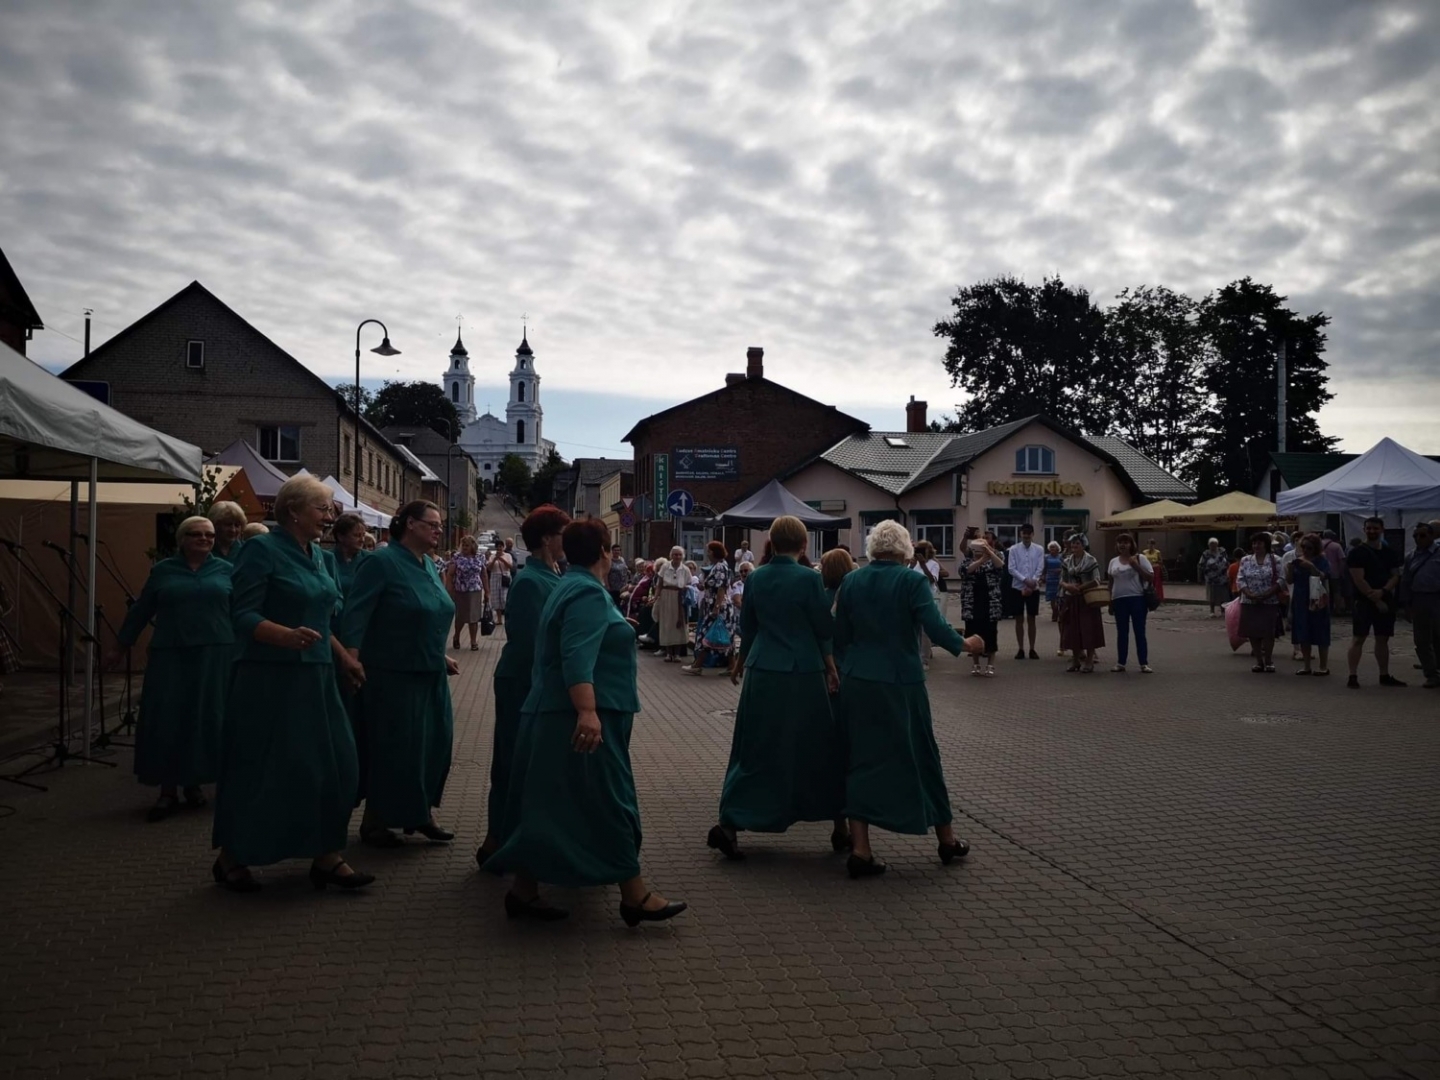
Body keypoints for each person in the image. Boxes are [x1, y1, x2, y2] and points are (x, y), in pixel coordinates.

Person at [485, 518, 686, 927]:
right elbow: (576, 656)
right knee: (608, 800)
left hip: (556, 714)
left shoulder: (570, 585)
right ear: (605, 552)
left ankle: (524, 889)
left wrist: (617, 631)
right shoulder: (588, 593)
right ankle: (634, 895)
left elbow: (577, 639)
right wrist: (588, 711)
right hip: (577, 718)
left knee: (553, 805)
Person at [211, 475, 372, 893]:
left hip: (317, 676)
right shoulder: (260, 550)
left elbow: (322, 619)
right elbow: (241, 615)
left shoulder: (320, 556)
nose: (330, 515)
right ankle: (233, 856)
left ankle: (326, 853)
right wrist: (284, 635)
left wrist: (344, 658)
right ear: (294, 511)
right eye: (322, 508)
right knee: (267, 769)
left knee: (336, 763)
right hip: (269, 678)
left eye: (330, 508)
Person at [834, 520, 985, 878]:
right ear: (905, 550)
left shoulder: (851, 581)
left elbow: (839, 635)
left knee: (861, 757)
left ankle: (861, 849)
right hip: (900, 681)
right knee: (921, 754)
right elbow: (933, 626)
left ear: (873, 549)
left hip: (858, 680)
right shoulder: (912, 580)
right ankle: (946, 840)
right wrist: (966, 644)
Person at [707, 516, 846, 860]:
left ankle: (731, 822)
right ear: (803, 546)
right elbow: (822, 628)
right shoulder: (808, 579)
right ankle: (839, 822)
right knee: (816, 747)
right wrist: (831, 667)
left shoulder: (755, 578)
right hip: (803, 673)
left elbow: (749, 626)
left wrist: (740, 662)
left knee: (754, 746)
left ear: (770, 542)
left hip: (762, 670)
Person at [340, 501, 459, 848]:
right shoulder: (381, 562)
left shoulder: (426, 564)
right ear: (410, 524)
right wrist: (351, 658)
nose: (439, 530)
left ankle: (417, 812)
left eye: (440, 525)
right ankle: (379, 820)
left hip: (428, 669)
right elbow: (357, 613)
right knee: (397, 749)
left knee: (434, 746)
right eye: (432, 524)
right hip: (392, 673)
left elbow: (429, 612)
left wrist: (439, 653)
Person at [107, 515, 232, 822]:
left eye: (209, 535)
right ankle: (167, 790)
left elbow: (244, 611)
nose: (204, 539)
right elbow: (141, 610)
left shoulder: (227, 571)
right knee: (168, 717)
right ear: (182, 539)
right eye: (196, 534)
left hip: (214, 654)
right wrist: (120, 646)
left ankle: (194, 782)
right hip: (171, 654)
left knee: (203, 717)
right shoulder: (164, 571)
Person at [476, 505, 571, 866]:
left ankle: (505, 841)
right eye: (564, 533)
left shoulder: (553, 574)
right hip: (523, 683)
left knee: (527, 762)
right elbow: (533, 643)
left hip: (534, 682)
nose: (568, 540)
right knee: (514, 762)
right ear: (548, 539)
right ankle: (496, 840)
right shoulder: (532, 581)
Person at [1347, 516, 1406, 689]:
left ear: (1382, 530)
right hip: (1363, 601)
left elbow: (1395, 574)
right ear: (1364, 530)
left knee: (1383, 638)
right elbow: (1359, 579)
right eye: (1369, 528)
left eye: (1375, 528)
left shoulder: (1390, 552)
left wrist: (1384, 591)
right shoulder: (1357, 552)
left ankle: (1384, 674)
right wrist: (1376, 598)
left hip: (1385, 597)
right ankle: (1352, 675)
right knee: (1359, 638)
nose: (1372, 531)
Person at [684, 542, 737, 675]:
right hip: (714, 606)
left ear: (714, 552)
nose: (707, 553)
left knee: (707, 634)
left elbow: (721, 588)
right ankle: (731, 665)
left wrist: (716, 607)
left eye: (709, 551)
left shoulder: (720, 567)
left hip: (719, 608)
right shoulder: (716, 567)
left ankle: (698, 665)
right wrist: (703, 586)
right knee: (719, 636)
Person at [1236, 532, 1285, 674]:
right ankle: (1258, 661)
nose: (1256, 546)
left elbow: (1281, 579)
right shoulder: (1245, 560)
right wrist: (1249, 594)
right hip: (1249, 601)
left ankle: (1268, 661)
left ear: (1266, 544)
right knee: (1253, 632)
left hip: (1269, 601)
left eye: (1259, 543)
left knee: (1268, 632)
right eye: (1254, 543)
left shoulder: (1276, 560)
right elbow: (1240, 579)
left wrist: (1267, 594)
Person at [1400, 520, 1439, 689]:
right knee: (1421, 639)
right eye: (1415, 536)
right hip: (1418, 599)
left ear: (1431, 535)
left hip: (1437, 597)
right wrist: (1406, 605)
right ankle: (1431, 674)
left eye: (1422, 535)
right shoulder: (1411, 556)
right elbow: (1406, 580)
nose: (1418, 539)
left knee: (1438, 636)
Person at [1107, 533, 1154, 674]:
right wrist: (1110, 601)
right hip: (1119, 599)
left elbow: (1150, 577)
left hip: (1137, 598)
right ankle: (1121, 662)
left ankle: (1143, 663)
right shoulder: (1113, 562)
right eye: (1120, 542)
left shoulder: (1140, 558)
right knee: (1122, 632)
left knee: (1139, 631)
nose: (1123, 545)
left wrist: (1135, 565)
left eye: (1126, 542)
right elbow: (1110, 583)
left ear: (1131, 544)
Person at [1059, 534, 1105, 673]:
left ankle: (1089, 660)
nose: (1074, 546)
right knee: (1072, 629)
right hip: (1071, 598)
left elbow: (1097, 579)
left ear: (1083, 545)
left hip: (1087, 599)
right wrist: (1068, 587)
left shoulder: (1091, 560)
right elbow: (1062, 579)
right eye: (1072, 544)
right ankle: (1075, 659)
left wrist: (1080, 587)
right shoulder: (1067, 561)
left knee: (1088, 629)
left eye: (1077, 544)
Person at [1288, 533, 1332, 676]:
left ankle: (1323, 666)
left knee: (1321, 632)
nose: (1305, 550)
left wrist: (1311, 566)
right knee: (1303, 631)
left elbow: (1324, 576)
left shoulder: (1322, 560)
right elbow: (1290, 581)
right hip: (1300, 600)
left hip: (1317, 599)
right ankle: (1307, 666)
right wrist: (1289, 570)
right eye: (1303, 547)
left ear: (1316, 548)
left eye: (1309, 547)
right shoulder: (1297, 561)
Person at [959, 535, 1004, 677]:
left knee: (991, 634)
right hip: (972, 605)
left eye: (981, 549)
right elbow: (967, 571)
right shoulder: (966, 562)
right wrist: (980, 560)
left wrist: (990, 553)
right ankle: (976, 663)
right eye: (976, 549)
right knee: (973, 634)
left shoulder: (992, 561)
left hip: (990, 604)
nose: (978, 551)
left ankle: (990, 665)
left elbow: (1001, 566)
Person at [1007, 523, 1044, 659]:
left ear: (1033, 534)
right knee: (1018, 619)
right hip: (1017, 587)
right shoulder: (1014, 549)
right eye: (1024, 533)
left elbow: (1040, 567)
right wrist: (1025, 580)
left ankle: (1032, 648)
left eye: (1029, 533)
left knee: (1031, 618)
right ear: (1020, 534)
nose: (1026, 535)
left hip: (1033, 588)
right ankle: (1021, 648)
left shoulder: (1039, 549)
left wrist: (1033, 581)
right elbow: (1011, 568)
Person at [653, 546, 692, 662]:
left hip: (679, 598)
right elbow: (659, 584)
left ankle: (677, 654)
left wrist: (686, 590)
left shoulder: (685, 569)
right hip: (666, 596)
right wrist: (656, 597)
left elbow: (691, 584)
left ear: (682, 556)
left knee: (679, 624)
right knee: (667, 624)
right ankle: (668, 652)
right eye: (675, 554)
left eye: (679, 554)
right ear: (671, 555)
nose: (677, 557)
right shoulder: (665, 567)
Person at [449, 536, 487, 650]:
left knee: (474, 617)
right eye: (463, 545)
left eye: (467, 545)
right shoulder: (457, 557)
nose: (464, 547)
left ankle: (473, 641)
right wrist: (449, 591)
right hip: (461, 590)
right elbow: (451, 574)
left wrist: (488, 592)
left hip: (475, 590)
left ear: (473, 546)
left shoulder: (480, 557)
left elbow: (484, 575)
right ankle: (456, 636)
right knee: (460, 617)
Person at [910, 539, 942, 665]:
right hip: (913, 598)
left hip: (927, 598)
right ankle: (917, 654)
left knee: (925, 631)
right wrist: (912, 566)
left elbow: (932, 580)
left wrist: (923, 565)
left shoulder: (933, 564)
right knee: (914, 629)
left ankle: (924, 659)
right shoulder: (914, 564)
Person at [330, 513, 369, 598]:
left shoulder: (369, 559)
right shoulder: (327, 558)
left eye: (363, 535)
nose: (362, 540)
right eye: (357, 535)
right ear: (340, 536)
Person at [1197, 539, 1230, 618]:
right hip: (1211, 578)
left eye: (1214, 544)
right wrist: (1200, 577)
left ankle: (1223, 611)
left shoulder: (1222, 552)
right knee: (1212, 595)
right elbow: (1200, 565)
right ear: (1209, 545)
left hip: (1222, 577)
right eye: (1211, 544)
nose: (1213, 546)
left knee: (1223, 595)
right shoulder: (1206, 554)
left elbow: (1227, 562)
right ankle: (1212, 611)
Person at [485, 542, 514, 629]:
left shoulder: (508, 555)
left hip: (504, 577)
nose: (499, 549)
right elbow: (489, 568)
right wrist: (494, 559)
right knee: (496, 598)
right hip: (495, 577)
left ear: (503, 547)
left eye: (501, 547)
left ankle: (508, 618)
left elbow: (510, 566)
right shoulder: (492, 556)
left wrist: (502, 559)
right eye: (498, 547)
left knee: (504, 598)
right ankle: (499, 619)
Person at [1321, 530, 1348, 615]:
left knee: (1323, 590)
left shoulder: (1318, 544)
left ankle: (1325, 608)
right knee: (1336, 591)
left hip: (1321, 572)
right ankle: (1337, 609)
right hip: (1334, 572)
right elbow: (1341, 560)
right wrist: (1341, 572)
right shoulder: (1336, 546)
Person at [1044, 540, 1064, 630]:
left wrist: (1060, 570)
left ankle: (1058, 613)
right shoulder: (1046, 557)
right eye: (1051, 548)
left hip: (1059, 579)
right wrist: (1042, 577)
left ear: (1057, 549)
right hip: (1050, 578)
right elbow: (1044, 568)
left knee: (1059, 596)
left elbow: (1065, 567)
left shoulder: (1061, 557)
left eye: (1054, 547)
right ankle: (1054, 612)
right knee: (1052, 597)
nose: (1052, 549)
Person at [1141, 538, 1165, 602]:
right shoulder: (1144, 552)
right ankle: (1147, 597)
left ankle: (1158, 597)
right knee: (1147, 583)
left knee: (1157, 583)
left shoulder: (1157, 552)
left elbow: (1161, 561)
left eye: (1152, 544)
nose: (1150, 546)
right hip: (1147, 568)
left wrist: (1156, 562)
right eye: (1149, 544)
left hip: (1155, 568)